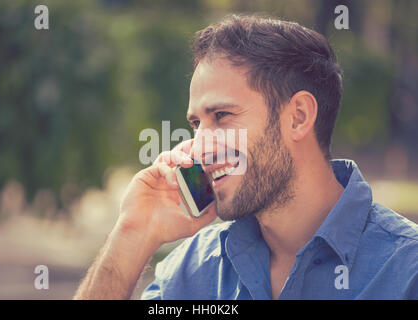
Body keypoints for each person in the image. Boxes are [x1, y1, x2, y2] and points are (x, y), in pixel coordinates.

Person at [74, 14, 418, 300]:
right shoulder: (196, 270)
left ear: (298, 116)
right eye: (196, 123)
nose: (199, 147)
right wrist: (133, 234)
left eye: (222, 116)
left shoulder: (406, 272)